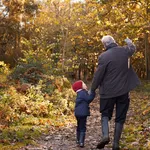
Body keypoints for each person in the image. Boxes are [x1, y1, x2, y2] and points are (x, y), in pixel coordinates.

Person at [90, 35, 140, 150]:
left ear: (105, 45)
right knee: (120, 117)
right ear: (114, 41)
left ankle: (105, 135)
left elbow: (98, 75)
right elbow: (132, 48)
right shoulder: (124, 51)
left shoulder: (103, 56)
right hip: (123, 92)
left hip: (107, 93)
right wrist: (129, 41)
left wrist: (92, 89)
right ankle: (116, 144)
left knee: (105, 114)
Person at [72, 80, 95, 148]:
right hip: (83, 113)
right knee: (83, 127)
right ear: (81, 87)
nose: (85, 85)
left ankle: (78, 140)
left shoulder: (79, 94)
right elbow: (89, 99)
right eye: (84, 84)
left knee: (79, 126)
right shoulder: (83, 93)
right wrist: (93, 93)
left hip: (77, 113)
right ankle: (81, 142)